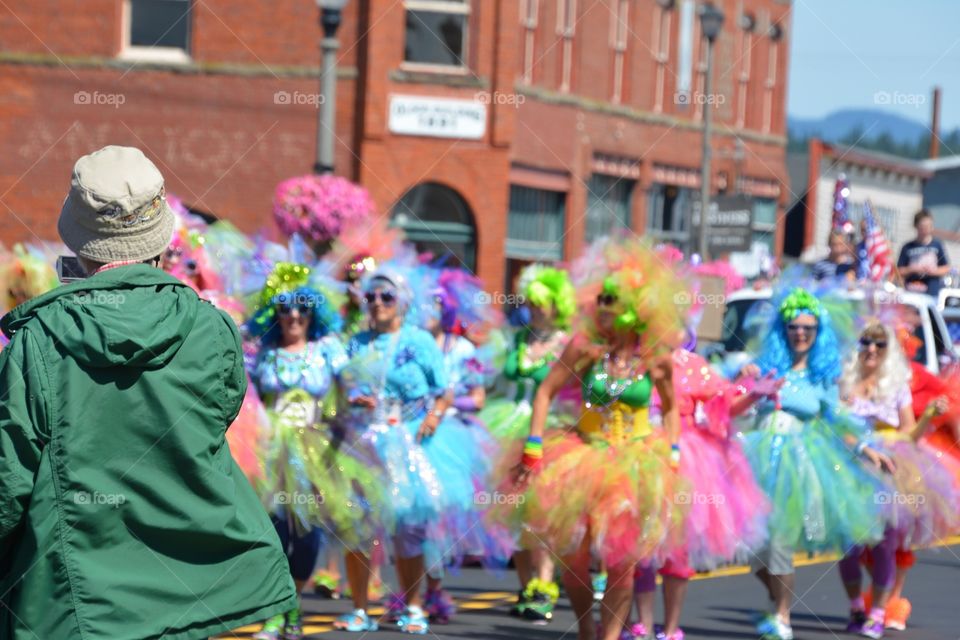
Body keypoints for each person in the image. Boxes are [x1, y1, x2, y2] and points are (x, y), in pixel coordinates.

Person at [0, 145, 297, 639]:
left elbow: (10, 478)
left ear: (80, 238)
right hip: (192, 593)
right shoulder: (212, 328)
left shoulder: (39, 340)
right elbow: (215, 422)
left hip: (75, 601)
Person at [501, 239, 689, 640]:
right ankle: (587, 627)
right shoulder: (585, 347)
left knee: (622, 559)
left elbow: (671, 407)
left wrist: (672, 449)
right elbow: (546, 391)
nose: (603, 305)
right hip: (582, 456)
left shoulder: (655, 357)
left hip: (636, 461)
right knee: (575, 554)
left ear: (635, 308)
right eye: (600, 297)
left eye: (613, 299)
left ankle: (609, 636)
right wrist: (534, 444)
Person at [334, 266, 489, 634]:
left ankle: (414, 605)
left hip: (408, 441)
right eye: (370, 297)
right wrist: (355, 399)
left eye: (386, 297)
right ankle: (359, 609)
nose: (377, 303)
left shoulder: (418, 340)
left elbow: (445, 389)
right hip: (364, 440)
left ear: (402, 303)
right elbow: (345, 388)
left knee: (407, 525)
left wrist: (433, 417)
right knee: (356, 523)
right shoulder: (357, 341)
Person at [741, 287, 894, 640]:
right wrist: (745, 377)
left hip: (796, 466)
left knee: (780, 541)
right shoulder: (766, 367)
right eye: (794, 326)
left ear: (817, 333)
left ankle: (782, 618)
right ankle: (777, 597)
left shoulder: (821, 377)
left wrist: (867, 449)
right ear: (784, 329)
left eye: (808, 328)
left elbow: (840, 421)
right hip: (756, 461)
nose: (800, 333)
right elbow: (737, 399)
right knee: (754, 550)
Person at [247, 265, 385, 640]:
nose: (293, 314)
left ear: (313, 313)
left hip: (316, 450)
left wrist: (356, 398)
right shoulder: (263, 352)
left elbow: (350, 380)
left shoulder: (327, 349)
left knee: (307, 535)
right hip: (268, 449)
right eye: (285, 307)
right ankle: (277, 613)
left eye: (302, 307)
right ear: (273, 312)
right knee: (270, 533)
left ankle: (291, 603)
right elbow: (243, 393)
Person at [837, 321, 958, 638]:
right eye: (866, 342)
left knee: (885, 544)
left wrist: (928, 416)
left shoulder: (896, 387)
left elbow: (908, 434)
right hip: (850, 468)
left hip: (890, 470)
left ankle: (878, 612)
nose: (872, 349)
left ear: (889, 351)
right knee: (847, 546)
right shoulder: (843, 384)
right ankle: (855, 608)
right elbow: (835, 427)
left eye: (880, 344)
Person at [479, 264, 575, 623]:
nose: (534, 309)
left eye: (542, 303)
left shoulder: (567, 343)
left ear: (557, 305)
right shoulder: (516, 339)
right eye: (530, 302)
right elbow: (490, 379)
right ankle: (525, 584)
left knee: (543, 511)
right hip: (506, 429)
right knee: (512, 512)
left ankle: (545, 585)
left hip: (549, 431)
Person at [897, 209, 950, 298]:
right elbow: (898, 271)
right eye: (922, 227)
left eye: (928, 226)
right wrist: (913, 269)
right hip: (911, 288)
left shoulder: (937, 245)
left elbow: (946, 268)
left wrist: (933, 271)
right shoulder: (907, 247)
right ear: (916, 226)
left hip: (931, 289)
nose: (925, 230)